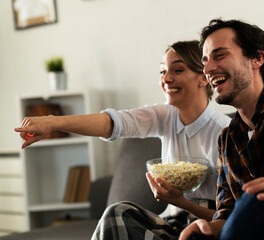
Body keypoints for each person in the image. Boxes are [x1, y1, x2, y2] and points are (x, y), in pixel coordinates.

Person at [15, 40, 231, 239]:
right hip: (172, 220)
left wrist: (182, 202)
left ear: (204, 77)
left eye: (178, 70)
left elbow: (235, 216)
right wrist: (54, 122)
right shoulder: (166, 116)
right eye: (163, 71)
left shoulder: (225, 132)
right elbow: (114, 123)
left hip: (209, 224)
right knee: (117, 213)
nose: (166, 79)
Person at [179, 19, 264, 240]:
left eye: (220, 55)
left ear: (257, 58)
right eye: (205, 60)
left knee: (259, 197)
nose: (206, 69)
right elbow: (227, 215)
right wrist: (204, 229)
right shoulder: (227, 139)